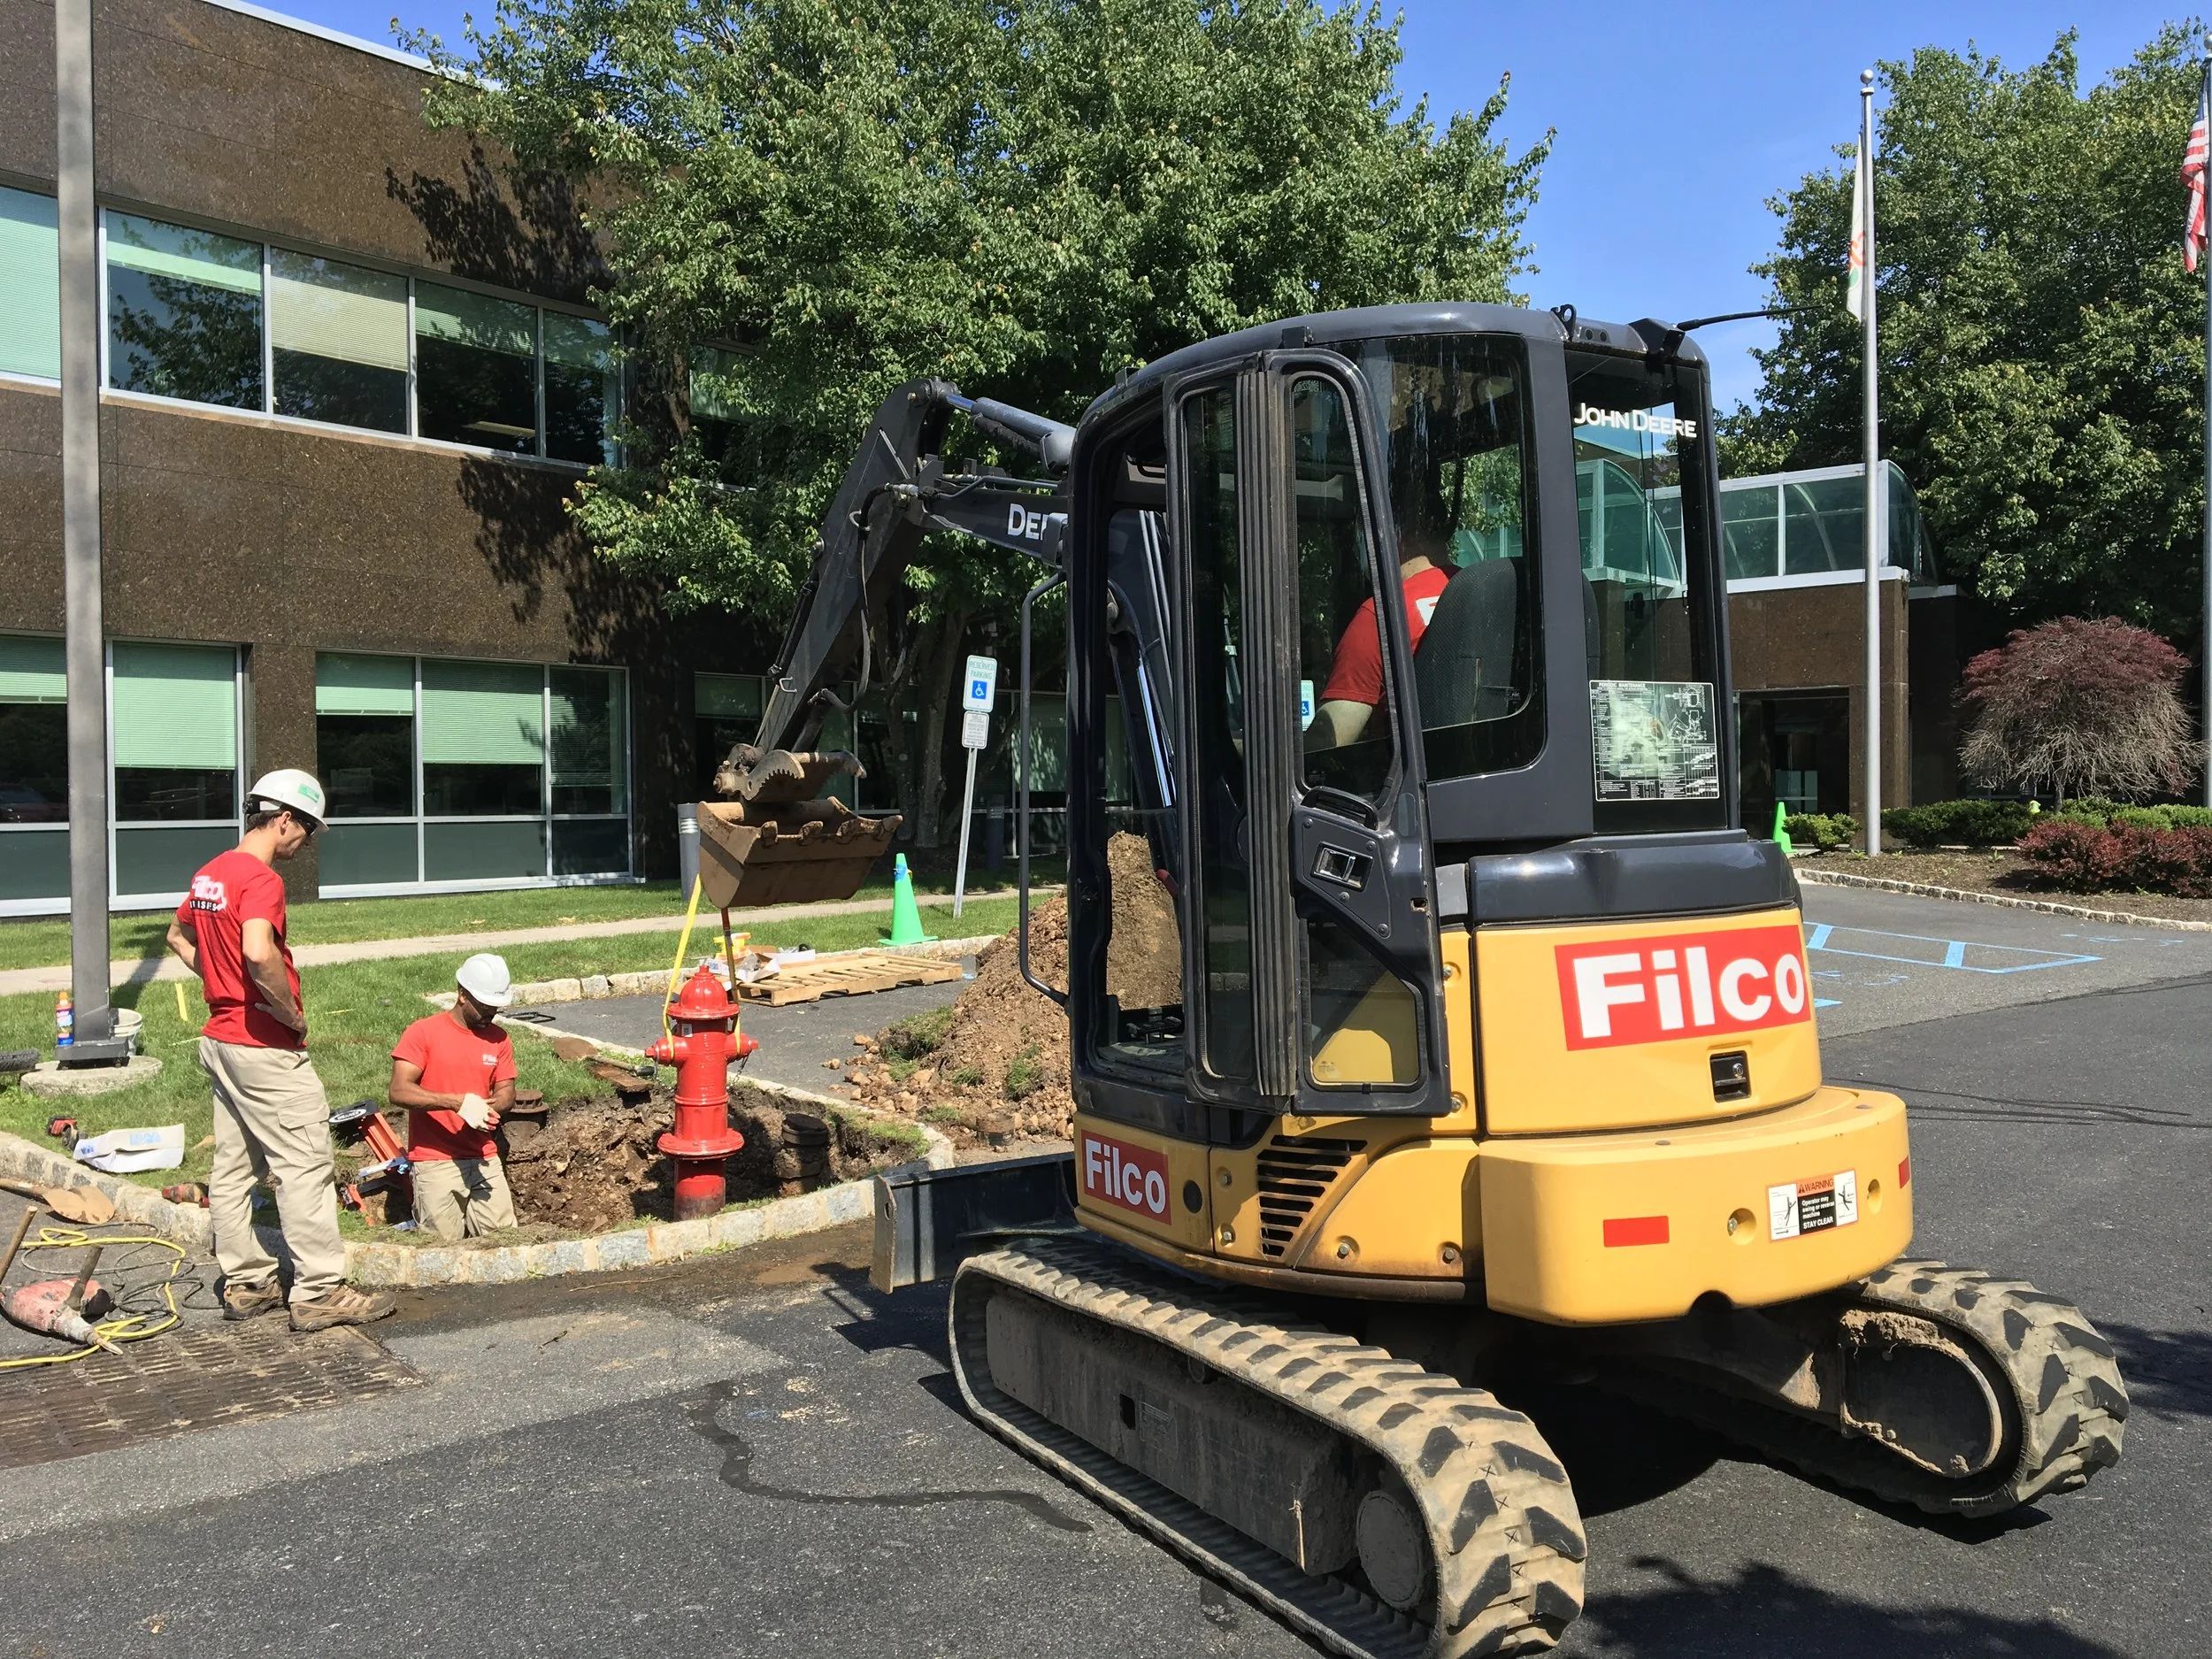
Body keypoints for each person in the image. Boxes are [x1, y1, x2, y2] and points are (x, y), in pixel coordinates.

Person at [165, 769, 395, 1332]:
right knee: (306, 1165)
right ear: (285, 818)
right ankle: (319, 1291)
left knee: (232, 1165)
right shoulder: (261, 880)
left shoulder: (210, 874)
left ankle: (246, 1282)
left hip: (221, 1040)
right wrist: (287, 1011)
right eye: (308, 831)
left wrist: (221, 983)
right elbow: (258, 951)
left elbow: (177, 937)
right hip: (264, 1046)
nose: (307, 843)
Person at [389, 954, 519, 1241]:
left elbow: (507, 1092)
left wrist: (489, 1108)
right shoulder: (423, 1033)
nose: (491, 1013)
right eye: (484, 1005)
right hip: (435, 1163)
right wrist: (457, 1103)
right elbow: (399, 1090)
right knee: (442, 1252)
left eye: (495, 1006)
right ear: (462, 994)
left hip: (484, 1158)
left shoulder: (499, 1039)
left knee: (505, 1244)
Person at [1311, 541, 1452, 749]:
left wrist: (1247, 750)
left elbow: (1327, 742)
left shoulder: (1381, 616)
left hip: (1405, 774)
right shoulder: (1480, 593)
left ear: (1397, 532)